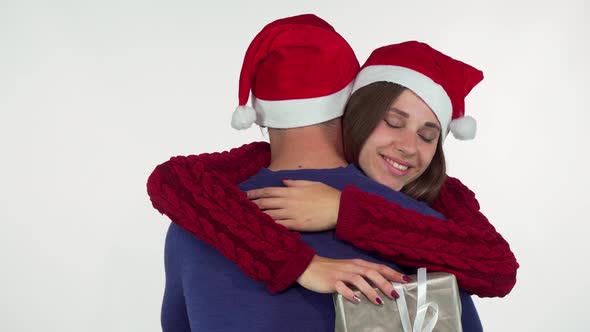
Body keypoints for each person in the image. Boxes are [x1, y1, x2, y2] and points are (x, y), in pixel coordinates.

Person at [148, 15, 517, 332]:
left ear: (260, 112)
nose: (407, 147)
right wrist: (301, 262)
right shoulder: (428, 229)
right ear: (355, 103)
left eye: (427, 135)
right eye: (393, 121)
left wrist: (345, 212)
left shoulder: (191, 224)